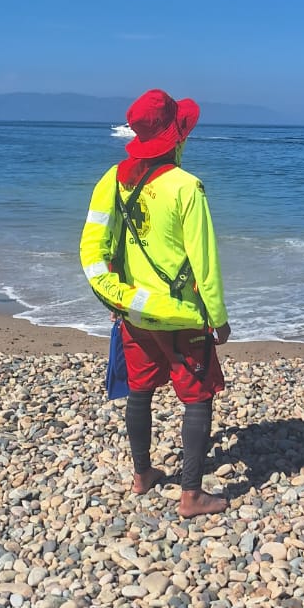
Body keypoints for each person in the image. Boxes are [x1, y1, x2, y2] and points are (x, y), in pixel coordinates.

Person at [80, 89, 232, 517]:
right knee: (198, 397)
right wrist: (217, 318)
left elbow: (99, 245)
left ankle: (143, 474)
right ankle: (191, 494)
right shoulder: (187, 187)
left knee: (141, 389)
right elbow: (206, 262)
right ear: (177, 139)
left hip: (134, 310)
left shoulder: (114, 178)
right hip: (183, 316)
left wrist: (114, 295)